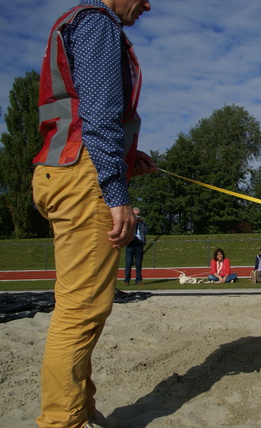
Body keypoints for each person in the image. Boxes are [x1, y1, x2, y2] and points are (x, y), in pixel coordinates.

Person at [31, 1, 156, 427]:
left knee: (84, 306)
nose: (148, 5)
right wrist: (115, 187)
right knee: (81, 310)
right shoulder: (97, 22)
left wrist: (128, 156)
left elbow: (81, 112)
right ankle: (62, 420)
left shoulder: (77, 21)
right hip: (83, 177)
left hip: (63, 171)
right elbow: (98, 114)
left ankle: (78, 409)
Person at [124, 207, 148, 286]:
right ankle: (127, 280)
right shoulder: (128, 221)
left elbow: (145, 231)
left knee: (138, 263)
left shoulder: (142, 223)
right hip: (130, 243)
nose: (136, 216)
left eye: (137, 215)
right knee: (128, 263)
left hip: (139, 243)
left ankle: (138, 280)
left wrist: (141, 222)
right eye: (134, 215)